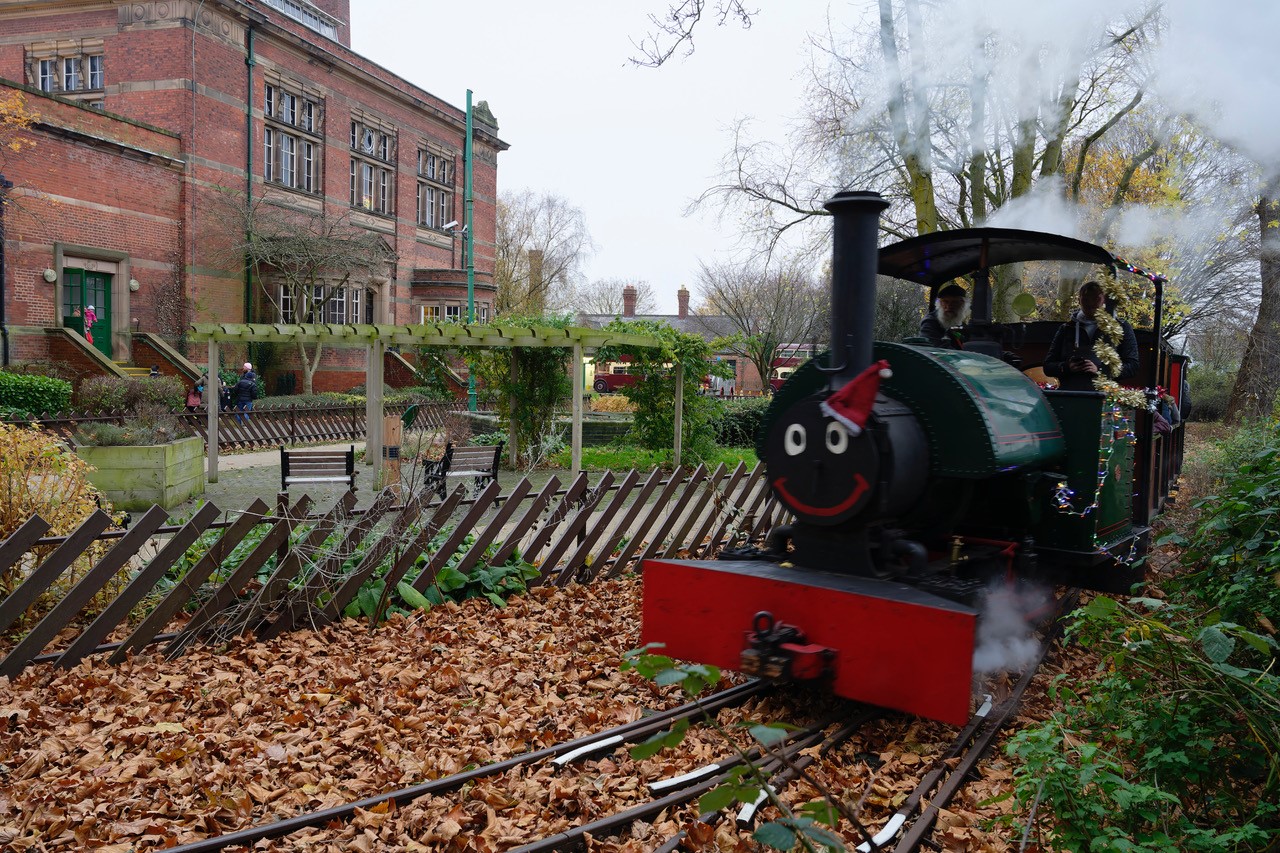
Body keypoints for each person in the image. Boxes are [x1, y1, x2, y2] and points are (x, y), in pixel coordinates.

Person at [1042, 281, 1139, 392]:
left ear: (1105, 300)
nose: (1090, 303)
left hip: (1105, 395)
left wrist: (1100, 370)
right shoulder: (1066, 329)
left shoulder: (1121, 328)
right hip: (1069, 395)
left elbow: (1133, 366)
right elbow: (1048, 366)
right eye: (1086, 299)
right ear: (1079, 301)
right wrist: (1067, 367)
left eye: (1095, 298)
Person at [918, 284, 968, 348]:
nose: (949, 306)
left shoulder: (959, 323)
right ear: (940, 303)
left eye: (954, 302)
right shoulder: (930, 322)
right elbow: (936, 349)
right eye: (945, 302)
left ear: (962, 304)